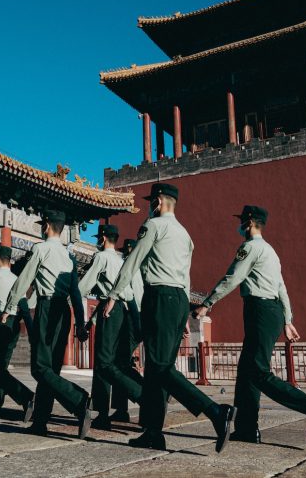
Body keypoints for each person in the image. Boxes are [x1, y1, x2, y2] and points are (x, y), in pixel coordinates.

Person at [103, 183, 235, 452]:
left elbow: (133, 260)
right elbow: (185, 276)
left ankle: (216, 412)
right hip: (178, 301)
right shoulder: (185, 235)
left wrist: (114, 294)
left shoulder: (153, 226)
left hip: (159, 297)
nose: (151, 206)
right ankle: (153, 432)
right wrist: (184, 315)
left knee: (161, 367)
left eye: (152, 201)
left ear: (159, 202)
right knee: (155, 372)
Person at [192, 205, 306, 446]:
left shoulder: (249, 248)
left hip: (259, 310)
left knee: (258, 372)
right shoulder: (270, 251)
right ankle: (247, 428)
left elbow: (232, 278)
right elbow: (282, 288)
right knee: (247, 371)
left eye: (241, 223)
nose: (239, 227)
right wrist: (288, 320)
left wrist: (207, 303)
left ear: (248, 223)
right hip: (272, 312)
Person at [3, 210, 92, 439]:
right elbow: (75, 291)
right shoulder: (69, 258)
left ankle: (79, 400)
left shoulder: (40, 249)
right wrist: (80, 324)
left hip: (47, 307)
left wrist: (9, 307)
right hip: (65, 311)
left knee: (39, 368)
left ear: (47, 227)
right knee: (50, 369)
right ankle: (41, 421)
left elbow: (24, 279)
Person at [80, 224, 143, 430]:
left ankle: (103, 412)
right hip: (125, 311)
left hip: (110, 309)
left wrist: (71, 293)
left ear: (104, 238)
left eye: (99, 237)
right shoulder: (122, 260)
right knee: (118, 362)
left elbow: (85, 285)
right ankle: (123, 408)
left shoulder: (102, 258)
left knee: (103, 363)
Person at [0, 245, 35, 423]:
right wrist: (31, 331)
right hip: (12, 327)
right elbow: (26, 309)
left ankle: (24, 396)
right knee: (0, 368)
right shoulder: (17, 280)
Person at [109, 238, 144, 423]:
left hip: (132, 316)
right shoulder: (147, 265)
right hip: (146, 315)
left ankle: (144, 394)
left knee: (119, 364)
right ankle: (121, 409)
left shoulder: (130, 266)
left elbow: (129, 295)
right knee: (123, 361)